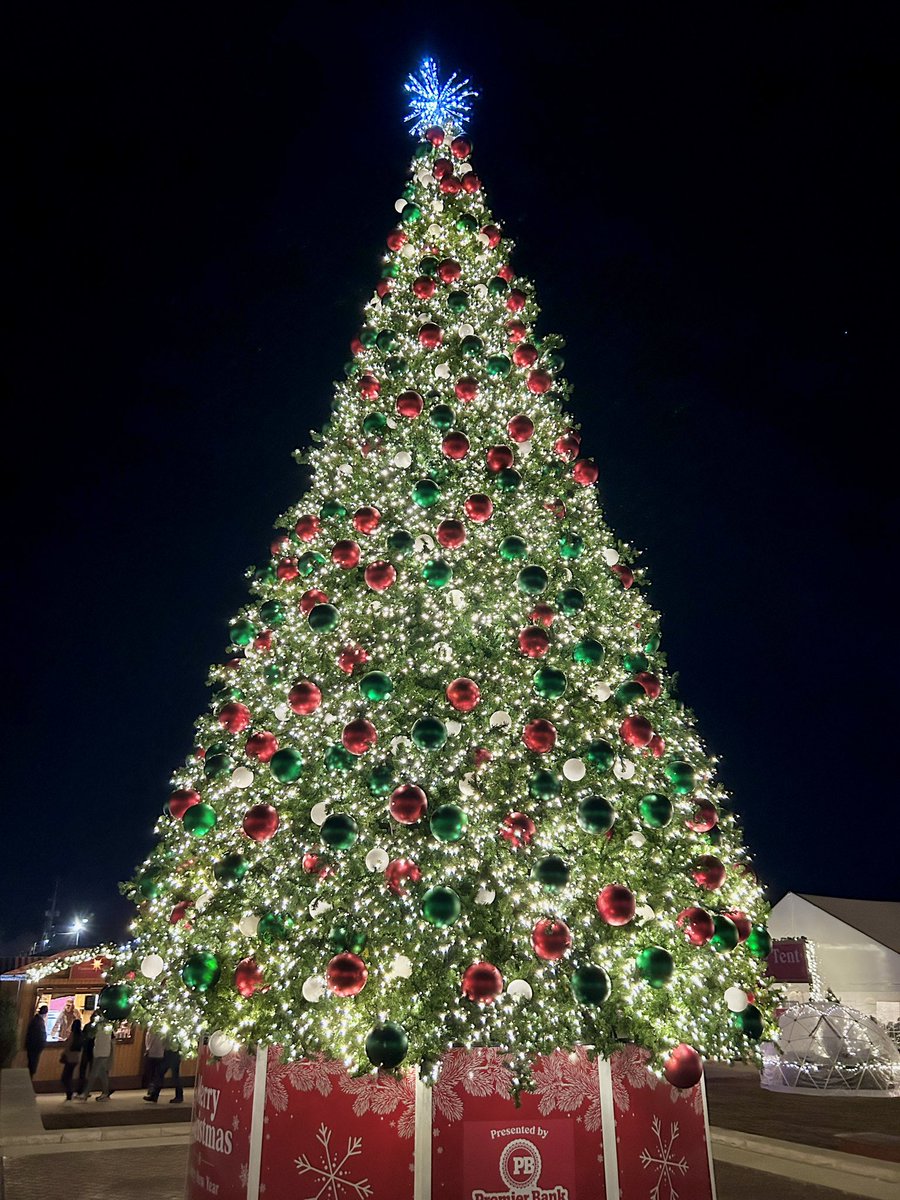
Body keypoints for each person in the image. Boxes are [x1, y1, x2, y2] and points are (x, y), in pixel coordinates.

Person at [75, 1019, 113, 1101]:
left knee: (93, 1073)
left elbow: (94, 1037)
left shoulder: (103, 1027)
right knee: (102, 1074)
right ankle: (105, 1093)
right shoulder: (105, 1026)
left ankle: (85, 1094)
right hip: (100, 1052)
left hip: (101, 1053)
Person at [144, 1038, 183, 1104]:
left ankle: (178, 1096)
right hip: (169, 1052)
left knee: (169, 1074)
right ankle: (155, 1095)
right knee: (161, 1073)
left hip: (173, 1052)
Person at [59, 1019, 83, 1101]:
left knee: (65, 1077)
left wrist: (63, 1053)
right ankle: (70, 1092)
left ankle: (69, 1092)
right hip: (76, 1058)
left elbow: (68, 1046)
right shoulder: (80, 1035)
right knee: (69, 1075)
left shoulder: (72, 1035)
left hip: (69, 1057)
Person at [78, 1009, 99, 1094]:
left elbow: (83, 1037)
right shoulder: (98, 1028)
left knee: (83, 1070)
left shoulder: (87, 1026)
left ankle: (82, 1088)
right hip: (93, 1050)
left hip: (87, 1049)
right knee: (91, 1070)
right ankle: (86, 1089)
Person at [25, 1005, 48, 1078]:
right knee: (32, 1065)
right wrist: (43, 1045)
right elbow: (41, 1036)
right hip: (35, 1047)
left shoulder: (35, 1020)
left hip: (32, 1046)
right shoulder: (39, 1022)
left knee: (31, 1064)